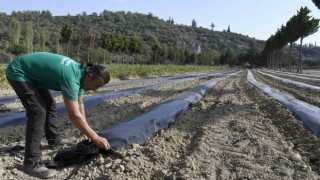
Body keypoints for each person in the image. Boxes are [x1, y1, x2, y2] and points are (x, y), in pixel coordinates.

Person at [6, 52, 111, 179]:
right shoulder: (71, 78)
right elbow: (74, 115)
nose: (96, 90)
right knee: (38, 111)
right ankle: (31, 162)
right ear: (90, 76)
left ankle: (53, 139)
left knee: (50, 105)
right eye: (97, 85)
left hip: (33, 75)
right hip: (19, 72)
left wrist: (87, 132)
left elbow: (80, 105)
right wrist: (95, 137)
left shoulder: (81, 75)